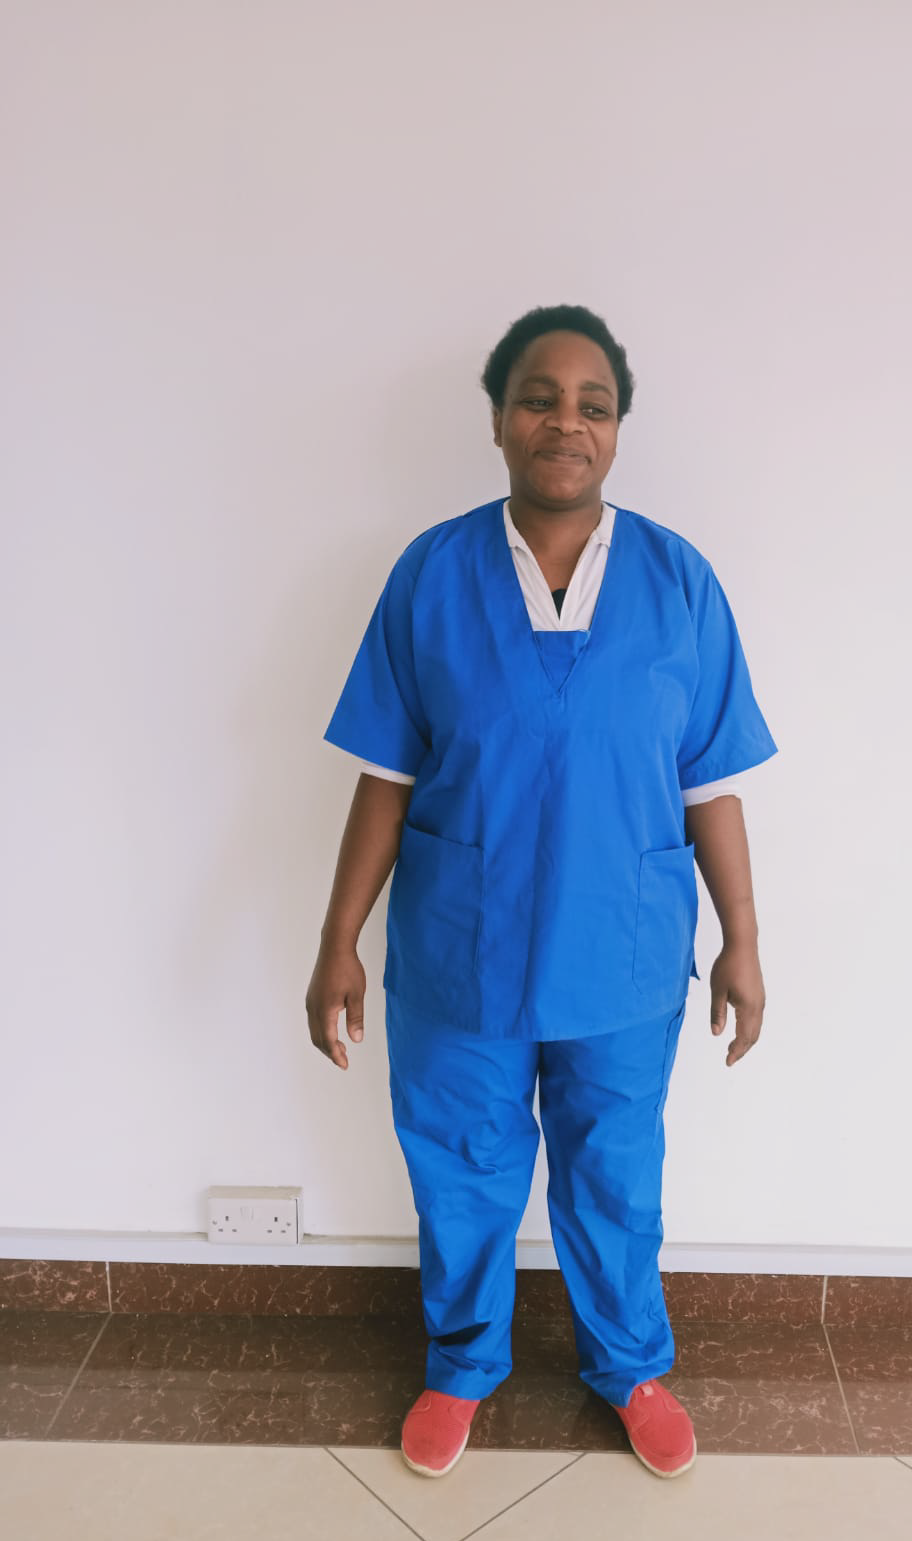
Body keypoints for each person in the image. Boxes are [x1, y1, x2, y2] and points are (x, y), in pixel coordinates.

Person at [305, 304, 778, 1480]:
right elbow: (385, 776)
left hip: (623, 951)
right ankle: (461, 1364)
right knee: (461, 1165)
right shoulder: (432, 575)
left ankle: (631, 1367)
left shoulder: (678, 584)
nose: (566, 421)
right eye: (539, 398)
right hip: (462, 945)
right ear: (499, 421)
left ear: (617, 430)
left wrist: (743, 941)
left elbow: (711, 785)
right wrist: (338, 941)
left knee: (614, 1169)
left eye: (593, 404)